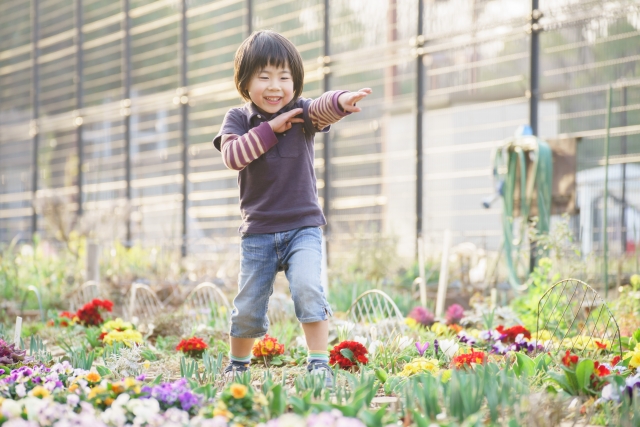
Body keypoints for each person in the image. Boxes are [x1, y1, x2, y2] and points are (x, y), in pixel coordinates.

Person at [213, 30, 371, 388]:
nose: (275, 86)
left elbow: (323, 107)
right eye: (264, 77)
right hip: (258, 232)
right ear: (245, 81)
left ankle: (318, 363)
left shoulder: (302, 113)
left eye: (284, 77)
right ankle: (238, 364)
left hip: (303, 227)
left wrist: (343, 99)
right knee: (249, 303)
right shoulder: (238, 119)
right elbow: (233, 157)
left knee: (308, 288)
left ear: (295, 83)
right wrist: (270, 129)